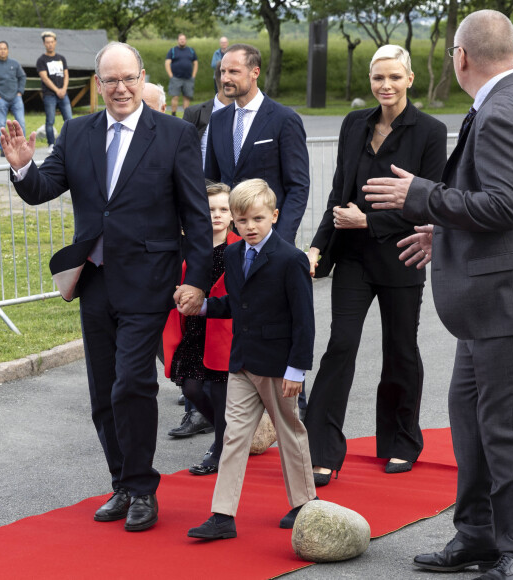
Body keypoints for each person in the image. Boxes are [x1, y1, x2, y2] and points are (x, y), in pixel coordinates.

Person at [0, 41, 212, 533]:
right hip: (95, 281)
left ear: (142, 78)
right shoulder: (77, 133)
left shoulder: (175, 135)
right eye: (110, 80)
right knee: (102, 392)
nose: (120, 88)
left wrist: (198, 281)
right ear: (98, 85)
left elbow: (196, 218)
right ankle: (122, 483)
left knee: (131, 384)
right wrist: (22, 166)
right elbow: (41, 189)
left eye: (129, 78)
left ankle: (142, 489)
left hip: (150, 282)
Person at [363, 10, 513, 580]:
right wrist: (446, 229)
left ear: (460, 57)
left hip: (502, 303)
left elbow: (507, 204)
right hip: (485, 306)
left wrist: (423, 196)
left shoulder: (502, 110)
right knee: (472, 426)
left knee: (503, 431)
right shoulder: (509, 100)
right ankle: (477, 536)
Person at [304, 45, 447, 488]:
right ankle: (321, 450)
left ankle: (401, 443)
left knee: (400, 350)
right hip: (352, 257)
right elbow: (337, 192)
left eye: (394, 78)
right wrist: (316, 248)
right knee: (340, 346)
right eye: (378, 78)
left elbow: (431, 202)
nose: (385, 86)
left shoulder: (430, 130)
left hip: (402, 255)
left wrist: (369, 220)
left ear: (409, 80)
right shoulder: (354, 123)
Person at [183, 178, 316, 540]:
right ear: (233, 224)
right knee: (234, 436)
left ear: (273, 215)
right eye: (241, 221)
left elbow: (304, 320)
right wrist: (205, 306)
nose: (250, 227)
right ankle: (223, 515)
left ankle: (305, 504)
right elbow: (238, 304)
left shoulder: (291, 260)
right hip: (241, 362)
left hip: (278, 365)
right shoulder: (232, 253)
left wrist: (296, 370)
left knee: (290, 432)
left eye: (257, 219)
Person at [163, 182, 241, 474]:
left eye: (224, 209)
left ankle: (221, 448)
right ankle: (228, 433)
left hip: (225, 331)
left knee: (221, 394)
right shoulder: (192, 247)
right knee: (192, 387)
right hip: (195, 327)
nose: (217, 215)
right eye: (210, 209)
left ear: (233, 214)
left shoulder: (238, 247)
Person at [205, 43, 309, 247]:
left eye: (233, 72)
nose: (225, 78)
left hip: (270, 237)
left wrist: (282, 239)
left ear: (255, 72)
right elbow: (211, 181)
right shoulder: (217, 119)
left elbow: (298, 187)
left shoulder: (284, 119)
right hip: (225, 241)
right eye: (223, 71)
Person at [183, 61, 233, 168]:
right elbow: (182, 155)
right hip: (203, 182)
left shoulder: (250, 114)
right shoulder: (194, 113)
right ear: (224, 79)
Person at [0, 41, 26, 156]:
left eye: (5, 48)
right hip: (1, 99)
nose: (3, 51)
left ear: (8, 50)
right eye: (0, 49)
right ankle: (4, 148)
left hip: (16, 98)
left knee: (20, 123)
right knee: (1, 125)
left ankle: (22, 147)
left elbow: (22, 77)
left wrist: (20, 92)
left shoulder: (15, 64)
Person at [36, 31, 73, 154]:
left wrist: (64, 89)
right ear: (44, 44)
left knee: (69, 119)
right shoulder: (41, 60)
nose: (50, 44)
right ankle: (51, 144)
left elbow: (66, 75)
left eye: (52, 42)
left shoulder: (61, 58)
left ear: (55, 42)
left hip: (63, 94)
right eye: (47, 42)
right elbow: (44, 78)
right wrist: (57, 90)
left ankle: (69, 142)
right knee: (50, 120)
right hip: (49, 95)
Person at [165, 33, 198, 116]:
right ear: (178, 40)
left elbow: (196, 63)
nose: (182, 40)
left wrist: (193, 75)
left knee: (187, 97)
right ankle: (173, 114)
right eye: (180, 39)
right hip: (176, 78)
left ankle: (185, 116)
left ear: (185, 40)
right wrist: (171, 76)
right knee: (175, 96)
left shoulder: (191, 51)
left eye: (183, 39)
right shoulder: (172, 50)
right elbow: (167, 63)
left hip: (188, 78)